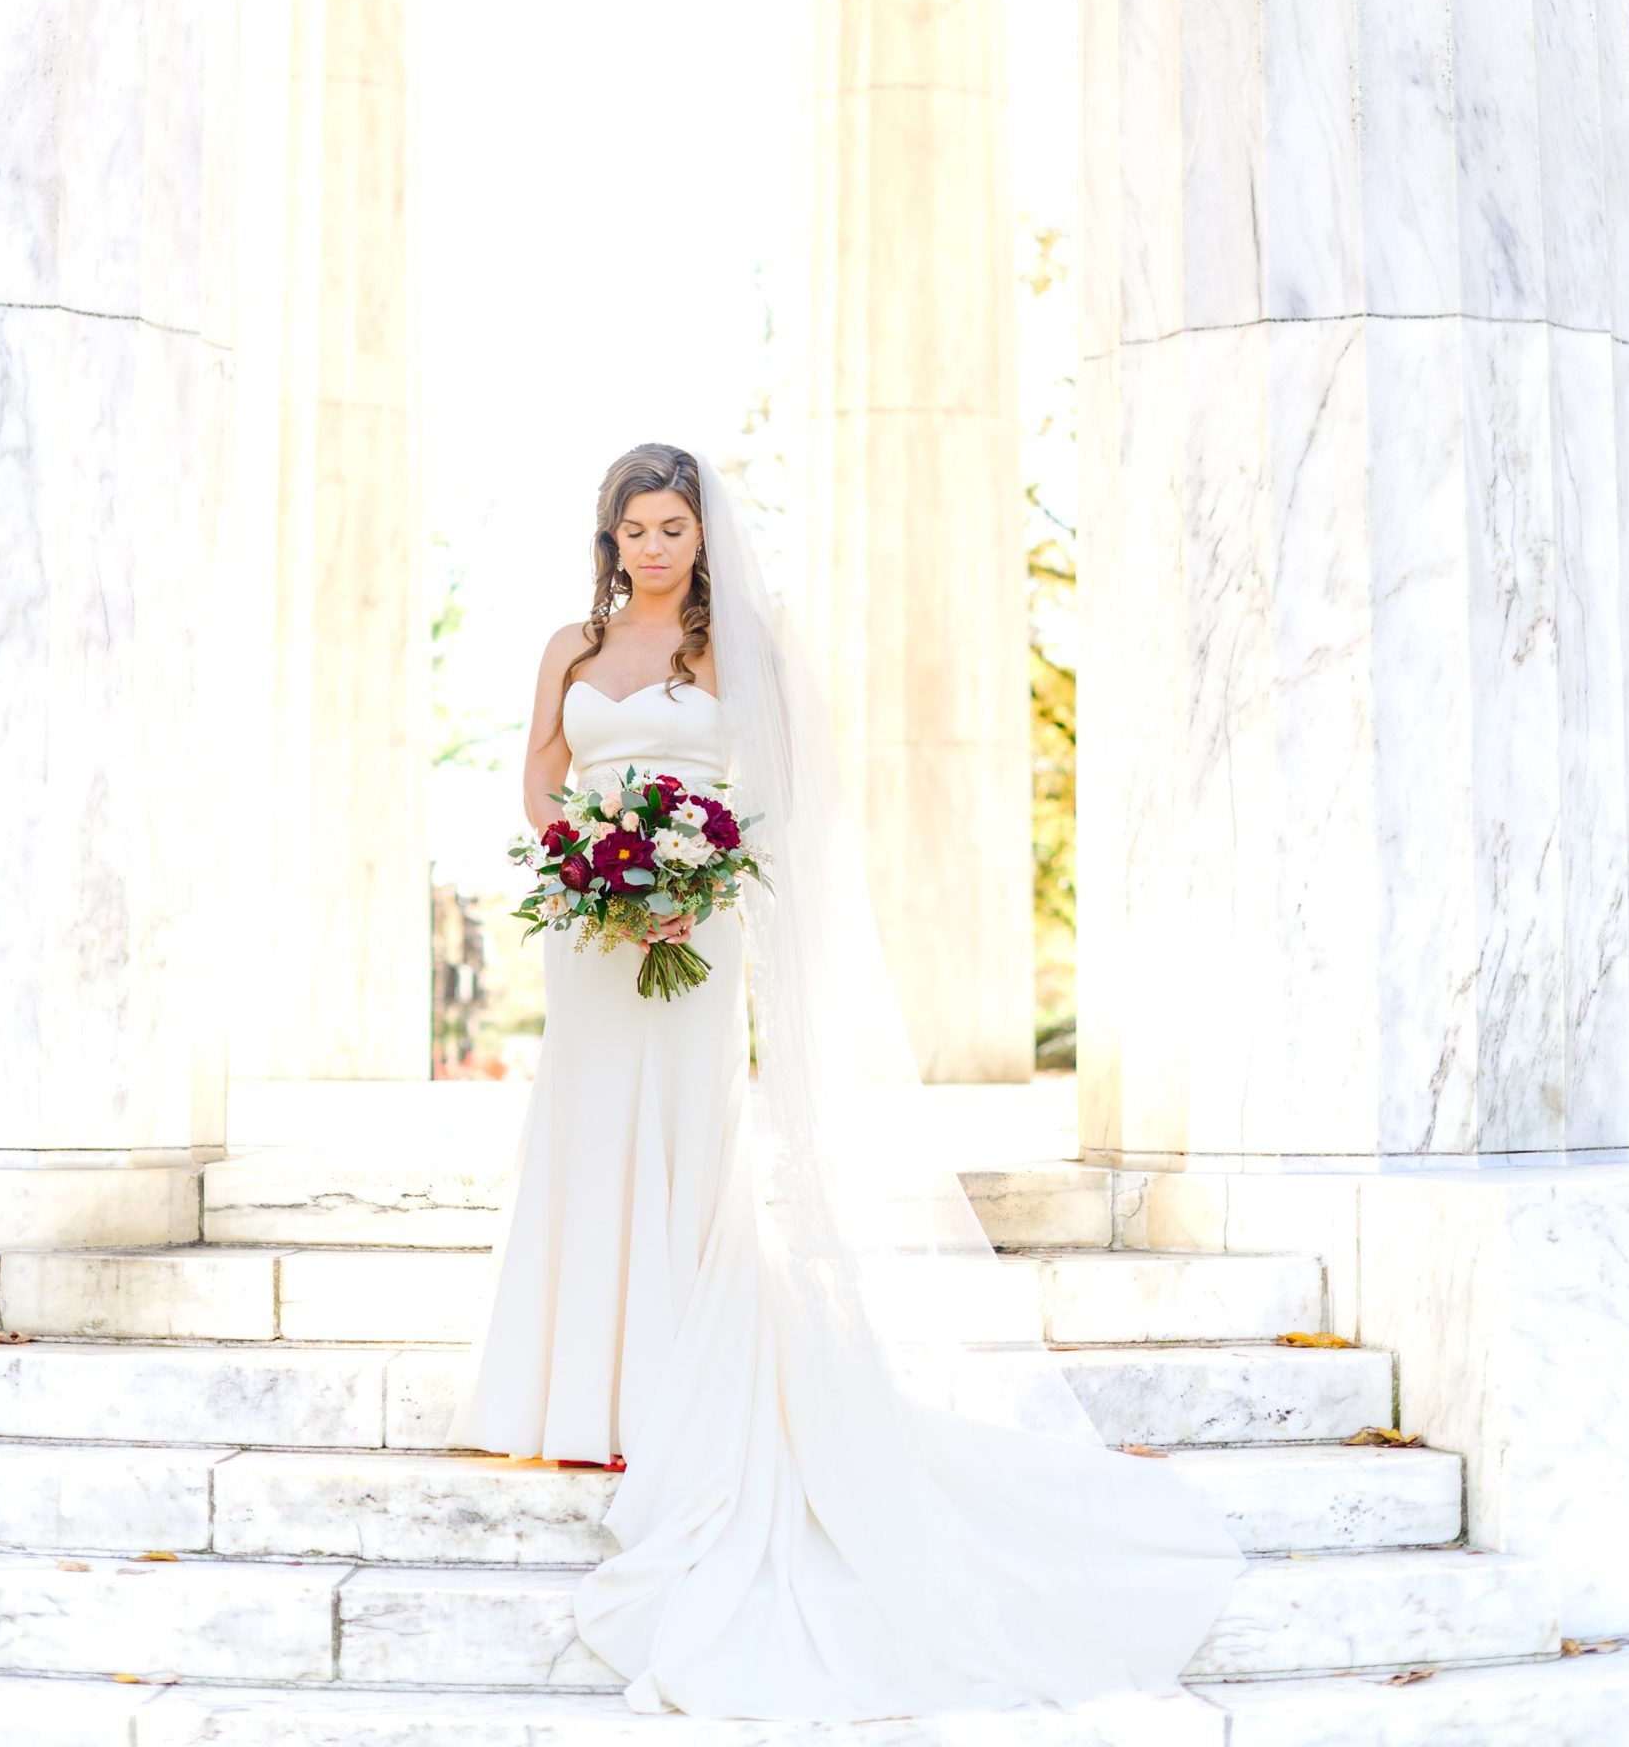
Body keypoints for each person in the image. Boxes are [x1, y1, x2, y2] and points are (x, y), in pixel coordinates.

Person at [444, 441, 1242, 1719]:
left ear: (702, 536)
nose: (655, 547)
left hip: (690, 933)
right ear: (609, 538)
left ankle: (667, 1396)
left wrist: (694, 882)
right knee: (584, 1132)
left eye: (673, 527)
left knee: (684, 1145)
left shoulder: (736, 647)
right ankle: (567, 1391)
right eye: (635, 529)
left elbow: (788, 793)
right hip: (591, 927)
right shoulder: (567, 647)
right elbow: (540, 764)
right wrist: (581, 850)